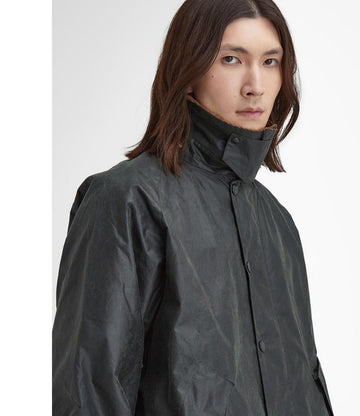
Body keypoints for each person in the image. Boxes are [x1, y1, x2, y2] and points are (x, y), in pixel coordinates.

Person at [52, 0, 335, 415]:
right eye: (231, 59)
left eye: (270, 61)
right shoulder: (128, 199)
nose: (255, 85)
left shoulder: (278, 223)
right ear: (187, 72)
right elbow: (89, 387)